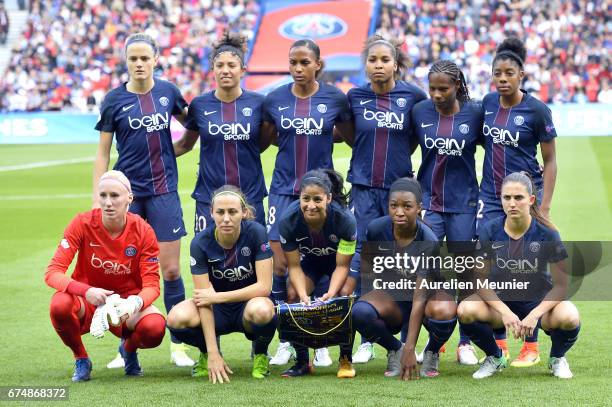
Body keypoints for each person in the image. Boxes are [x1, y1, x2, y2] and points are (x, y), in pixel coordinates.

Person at [93, 33, 194, 368]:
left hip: (164, 192)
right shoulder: (113, 100)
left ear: (155, 59)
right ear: (126, 61)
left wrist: (175, 151)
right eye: (132, 59)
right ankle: (126, 347)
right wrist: (100, 198)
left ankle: (178, 344)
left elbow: (190, 128)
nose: (139, 64)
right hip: (127, 197)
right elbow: (104, 152)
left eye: (144, 58)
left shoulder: (168, 93)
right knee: (126, 274)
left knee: (170, 270)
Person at [262, 38, 352, 367]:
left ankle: (321, 339)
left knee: (323, 263)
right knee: (283, 266)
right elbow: (263, 140)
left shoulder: (334, 98)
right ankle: (288, 338)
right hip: (284, 192)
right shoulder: (274, 99)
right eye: (293, 63)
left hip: (320, 194)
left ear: (318, 64)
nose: (298, 69)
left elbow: (350, 135)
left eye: (304, 63)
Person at [339, 34, 427, 364]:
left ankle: (408, 339)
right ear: (366, 64)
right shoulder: (355, 97)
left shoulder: (413, 96)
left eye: (384, 60)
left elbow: (418, 138)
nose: (378, 65)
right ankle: (368, 339)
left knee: (405, 259)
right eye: (372, 60)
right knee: (366, 257)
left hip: (399, 192)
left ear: (395, 64)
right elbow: (351, 135)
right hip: (363, 188)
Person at [479, 37, 558, 366]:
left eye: (509, 73)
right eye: (497, 73)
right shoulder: (486, 104)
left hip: (526, 199)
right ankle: (499, 341)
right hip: (491, 196)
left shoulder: (537, 110)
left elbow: (550, 159)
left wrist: (545, 204)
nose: (502, 78)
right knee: (494, 266)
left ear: (521, 75)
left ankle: (531, 345)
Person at [45, 170, 166, 381]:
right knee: (59, 304)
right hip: (88, 301)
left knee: (155, 328)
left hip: (125, 305)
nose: (108, 203)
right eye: (103, 196)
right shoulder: (82, 223)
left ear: (129, 198)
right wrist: (86, 291)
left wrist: (135, 302)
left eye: (115, 196)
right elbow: (52, 272)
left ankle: (128, 350)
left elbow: (152, 285)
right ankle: (81, 358)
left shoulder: (144, 231)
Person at [458, 172, 580, 379]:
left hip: (537, 305)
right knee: (465, 310)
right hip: (501, 304)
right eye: (507, 198)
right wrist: (504, 311)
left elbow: (561, 286)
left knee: (569, 315)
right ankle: (495, 357)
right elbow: (480, 281)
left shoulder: (548, 233)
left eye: (518, 198)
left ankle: (557, 358)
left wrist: (534, 315)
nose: (512, 203)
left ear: (531, 200)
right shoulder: (489, 230)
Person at [411, 60, 483, 365]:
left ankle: (465, 343)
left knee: (465, 273)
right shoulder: (420, 112)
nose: (437, 94)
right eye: (432, 89)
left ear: (458, 86)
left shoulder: (475, 113)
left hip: (464, 203)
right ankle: (421, 339)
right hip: (429, 204)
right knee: (420, 272)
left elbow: (493, 149)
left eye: (444, 88)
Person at [166, 185, 276, 383]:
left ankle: (260, 355)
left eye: (232, 212)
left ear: (244, 213)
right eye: (220, 212)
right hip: (215, 310)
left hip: (248, 306)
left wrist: (218, 296)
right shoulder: (200, 243)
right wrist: (213, 351)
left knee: (264, 310)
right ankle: (206, 355)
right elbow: (203, 300)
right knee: (176, 318)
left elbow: (264, 287)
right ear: (211, 213)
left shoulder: (257, 233)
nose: (226, 218)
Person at [350, 178, 457, 379]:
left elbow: (419, 298)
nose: (399, 212)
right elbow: (369, 271)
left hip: (427, 300)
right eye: (394, 206)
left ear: (419, 208)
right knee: (360, 312)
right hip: (395, 298)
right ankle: (394, 349)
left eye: (407, 206)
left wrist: (411, 347)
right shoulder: (375, 229)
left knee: (444, 310)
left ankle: (431, 352)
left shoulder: (429, 241)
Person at [174, 31, 268, 231]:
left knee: (255, 258)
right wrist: (151, 156)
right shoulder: (200, 104)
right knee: (208, 257)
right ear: (213, 70)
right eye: (220, 65)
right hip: (209, 197)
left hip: (250, 195)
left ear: (242, 70)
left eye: (232, 65)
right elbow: (185, 144)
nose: (225, 70)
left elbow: (269, 140)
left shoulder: (259, 104)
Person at [277, 169, 357, 378]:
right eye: (306, 199)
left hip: (337, 262)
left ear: (329, 199)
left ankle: (345, 359)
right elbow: (293, 267)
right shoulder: (288, 221)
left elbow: (341, 266)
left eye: (317, 199)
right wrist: (304, 295)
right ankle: (302, 361)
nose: (311, 205)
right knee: (294, 294)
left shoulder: (345, 220)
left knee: (344, 295)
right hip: (311, 262)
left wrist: (331, 293)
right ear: (299, 197)